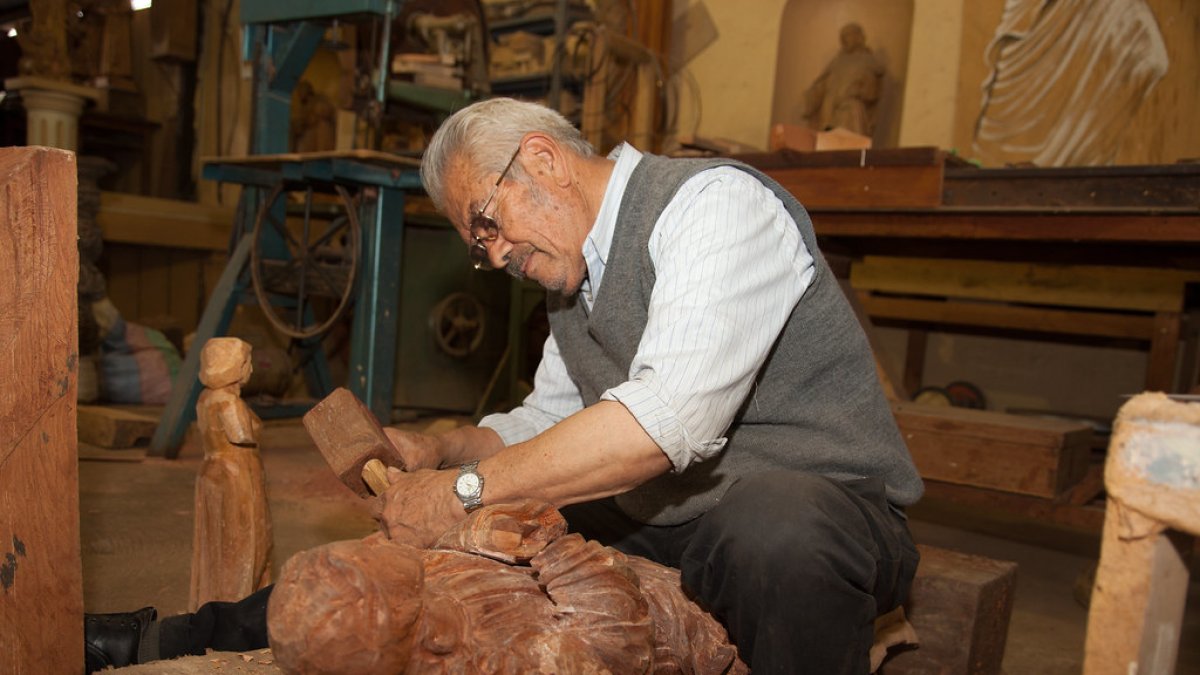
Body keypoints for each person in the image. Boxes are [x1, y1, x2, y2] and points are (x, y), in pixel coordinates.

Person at [86, 97, 923, 674]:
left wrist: (466, 487)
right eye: (478, 244)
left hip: (826, 515)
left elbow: (660, 424)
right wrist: (443, 450)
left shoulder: (711, 208)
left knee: (777, 526)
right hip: (670, 513)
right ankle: (173, 639)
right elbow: (545, 420)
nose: (493, 255)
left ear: (543, 161)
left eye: (485, 224)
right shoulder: (573, 279)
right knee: (442, 534)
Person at [803, 22, 884, 137]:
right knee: (828, 140)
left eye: (848, 35)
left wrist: (858, 92)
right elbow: (822, 84)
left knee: (851, 141)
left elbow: (873, 91)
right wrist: (810, 97)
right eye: (843, 36)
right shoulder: (837, 61)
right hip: (830, 111)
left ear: (858, 37)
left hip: (851, 112)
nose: (844, 39)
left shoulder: (868, 61)